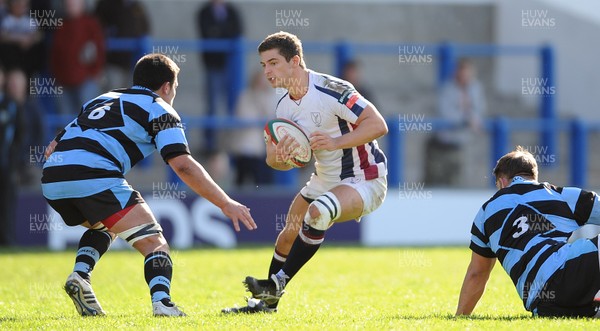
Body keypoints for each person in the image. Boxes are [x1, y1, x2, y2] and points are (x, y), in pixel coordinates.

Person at [42, 53, 257, 317]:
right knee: (155, 243)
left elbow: (55, 143)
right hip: (93, 175)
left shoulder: (102, 98)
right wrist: (225, 202)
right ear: (167, 86)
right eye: (175, 87)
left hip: (53, 178)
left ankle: (81, 275)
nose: (173, 93)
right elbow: (183, 165)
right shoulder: (160, 109)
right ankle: (163, 304)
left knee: (106, 224)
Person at [222, 31, 388, 313]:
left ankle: (277, 284)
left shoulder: (331, 89)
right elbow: (274, 161)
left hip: (364, 178)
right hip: (324, 179)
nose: (268, 71)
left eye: (273, 63)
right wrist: (283, 158)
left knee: (317, 213)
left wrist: (336, 141)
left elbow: (378, 124)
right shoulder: (282, 103)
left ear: (295, 61)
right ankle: (267, 305)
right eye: (264, 65)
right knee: (288, 234)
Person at [456, 146, 600, 318]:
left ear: (501, 182)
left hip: (544, 305)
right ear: (533, 177)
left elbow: (477, 273)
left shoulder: (485, 213)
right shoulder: (559, 195)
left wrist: (460, 317)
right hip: (570, 274)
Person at [425, 58, 485, 186]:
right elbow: (445, 113)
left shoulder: (476, 89)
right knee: (436, 181)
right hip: (443, 143)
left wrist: (472, 117)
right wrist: (466, 119)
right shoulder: (447, 89)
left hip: (462, 144)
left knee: (458, 183)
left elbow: (479, 110)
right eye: (461, 72)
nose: (464, 76)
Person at [196, 0, 243, 152]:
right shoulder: (204, 12)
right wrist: (223, 32)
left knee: (233, 105)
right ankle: (210, 144)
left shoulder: (232, 10)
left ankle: (232, 144)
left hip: (231, 66)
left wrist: (219, 32)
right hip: (213, 66)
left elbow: (238, 31)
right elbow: (207, 33)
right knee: (212, 106)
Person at [50, 0, 105, 115]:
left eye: (74, 3)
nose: (70, 5)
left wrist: (95, 73)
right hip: (63, 82)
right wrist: (57, 76)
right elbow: (55, 53)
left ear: (82, 4)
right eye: (68, 3)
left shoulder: (91, 23)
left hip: (86, 80)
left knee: (88, 118)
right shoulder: (61, 25)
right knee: (65, 121)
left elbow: (99, 49)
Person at [228, 70, 275, 187]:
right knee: (242, 181)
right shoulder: (245, 96)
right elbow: (244, 118)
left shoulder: (271, 97)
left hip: (265, 150)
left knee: (264, 183)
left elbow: (273, 119)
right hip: (246, 148)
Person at [95, 0, 150, 89]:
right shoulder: (105, 4)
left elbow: (145, 28)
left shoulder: (135, 6)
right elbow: (95, 29)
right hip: (112, 62)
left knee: (131, 95)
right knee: (113, 95)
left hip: (132, 63)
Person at [0, 63, 22, 246]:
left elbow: (22, 134)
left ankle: (7, 240)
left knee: (7, 203)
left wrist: (17, 159)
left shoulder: (11, 104)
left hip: (7, 163)